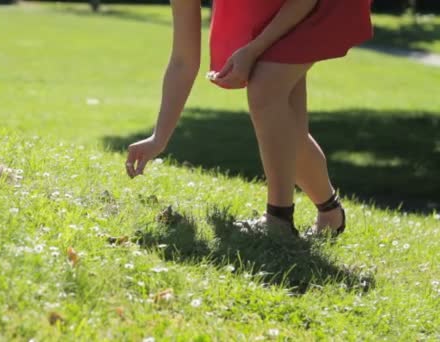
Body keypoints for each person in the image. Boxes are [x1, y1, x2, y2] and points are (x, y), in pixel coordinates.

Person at [124, 0, 373, 237]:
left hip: (317, 5)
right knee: (288, 128)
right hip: (271, 11)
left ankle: (278, 220)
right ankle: (330, 213)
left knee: (265, 88)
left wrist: (253, 50)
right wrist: (159, 137)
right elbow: (182, 61)